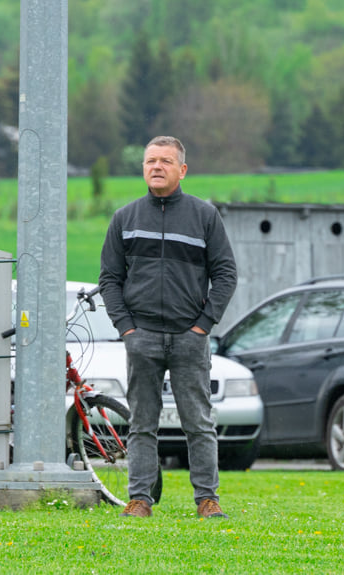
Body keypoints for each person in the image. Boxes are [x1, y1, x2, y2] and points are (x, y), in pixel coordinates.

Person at [99, 136, 238, 519]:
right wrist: (126, 328)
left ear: (182, 170)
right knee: (142, 424)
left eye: (165, 161)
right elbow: (109, 279)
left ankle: (207, 500)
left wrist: (203, 325)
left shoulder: (204, 217)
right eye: (150, 161)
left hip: (189, 338)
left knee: (199, 423)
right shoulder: (124, 219)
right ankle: (140, 499)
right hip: (140, 337)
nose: (156, 167)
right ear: (143, 168)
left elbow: (225, 273)